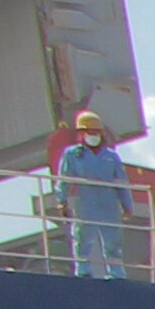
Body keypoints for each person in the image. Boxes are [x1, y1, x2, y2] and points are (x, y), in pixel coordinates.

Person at [51, 110, 130, 282]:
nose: (93, 136)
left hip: (109, 203)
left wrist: (127, 205)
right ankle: (83, 270)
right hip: (86, 201)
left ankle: (116, 273)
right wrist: (61, 201)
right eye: (89, 132)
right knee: (82, 237)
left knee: (113, 240)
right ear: (82, 133)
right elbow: (64, 179)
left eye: (96, 132)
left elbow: (121, 182)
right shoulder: (72, 154)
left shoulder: (111, 156)